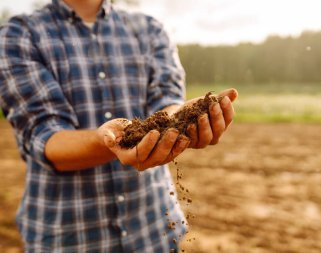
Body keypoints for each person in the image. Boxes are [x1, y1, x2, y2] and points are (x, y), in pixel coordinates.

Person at [0, 0, 238, 252]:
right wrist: (110, 140)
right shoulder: (19, 35)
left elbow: (169, 105)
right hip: (69, 236)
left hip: (154, 231)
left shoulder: (150, 29)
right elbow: (46, 137)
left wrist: (180, 121)